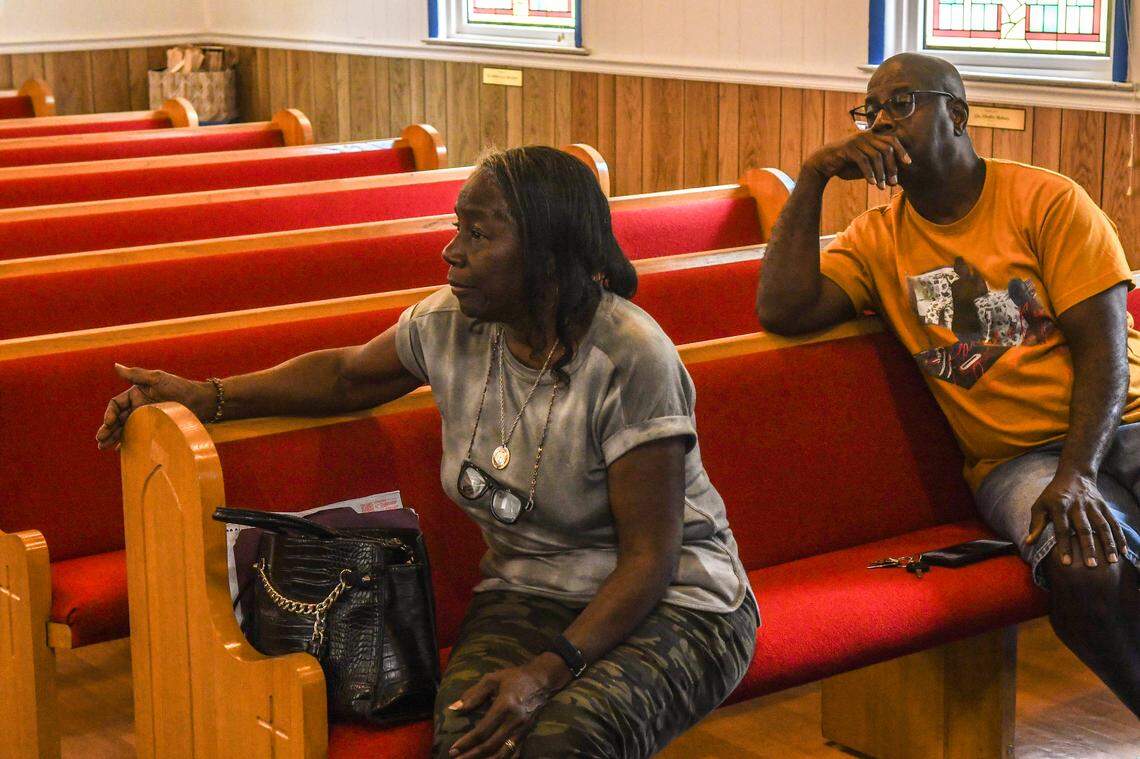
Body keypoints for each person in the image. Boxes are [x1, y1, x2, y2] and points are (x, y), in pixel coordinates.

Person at [97, 146, 759, 758]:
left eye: (479, 233)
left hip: (680, 602)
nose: (452, 252)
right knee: (470, 734)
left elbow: (651, 558)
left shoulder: (629, 357)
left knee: (563, 739)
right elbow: (346, 375)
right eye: (456, 227)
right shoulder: (451, 324)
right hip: (529, 591)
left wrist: (542, 673)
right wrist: (205, 395)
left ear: (548, 253)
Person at [755, 51, 1140, 715]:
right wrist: (816, 175)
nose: (880, 122)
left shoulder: (1045, 200)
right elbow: (782, 309)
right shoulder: (875, 241)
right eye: (869, 110)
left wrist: (1077, 473)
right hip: (1014, 459)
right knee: (1085, 569)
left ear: (957, 115)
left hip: (1122, 419)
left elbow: (1104, 351)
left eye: (901, 104)